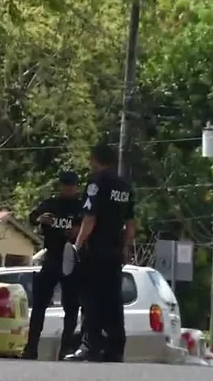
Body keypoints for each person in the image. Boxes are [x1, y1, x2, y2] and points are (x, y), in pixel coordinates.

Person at [63, 143, 136, 363]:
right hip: (114, 250)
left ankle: (90, 345)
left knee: (91, 299)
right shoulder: (125, 186)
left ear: (95, 159)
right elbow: (131, 224)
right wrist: (125, 246)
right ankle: (115, 347)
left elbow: (90, 218)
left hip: (94, 250)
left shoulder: (96, 183)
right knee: (113, 300)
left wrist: (77, 245)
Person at [20, 171, 83, 360]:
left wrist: (77, 232)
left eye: (71, 185)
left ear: (76, 187)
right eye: (65, 185)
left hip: (72, 259)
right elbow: (32, 217)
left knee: (71, 307)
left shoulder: (80, 207)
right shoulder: (51, 204)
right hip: (52, 257)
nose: (68, 189)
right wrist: (41, 219)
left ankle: (66, 349)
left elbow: (90, 224)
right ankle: (31, 348)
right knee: (39, 305)